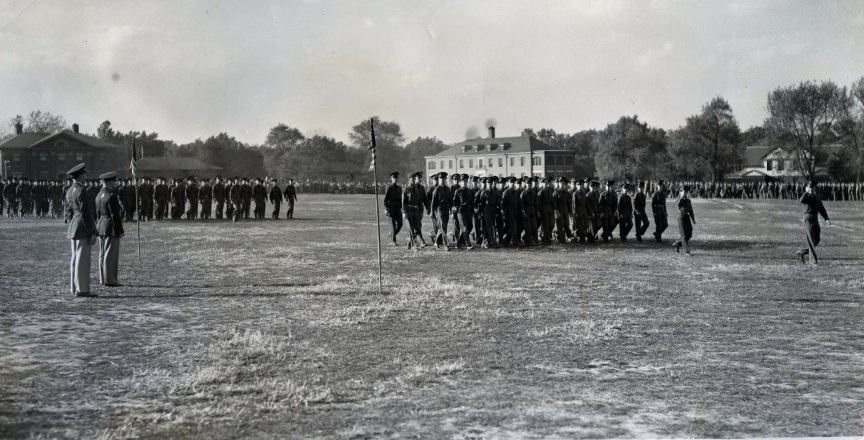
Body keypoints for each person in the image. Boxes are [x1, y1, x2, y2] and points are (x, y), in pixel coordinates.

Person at [65, 163, 97, 297]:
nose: (86, 176)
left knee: (75, 258)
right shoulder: (81, 190)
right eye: (84, 174)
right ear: (80, 176)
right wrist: (92, 232)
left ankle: (74, 287)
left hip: (74, 226)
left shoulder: (69, 190)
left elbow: (69, 210)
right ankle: (82, 289)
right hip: (82, 226)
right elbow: (86, 213)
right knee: (82, 260)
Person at [96, 171, 124, 287]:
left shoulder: (99, 195)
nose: (116, 183)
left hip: (101, 226)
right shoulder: (111, 196)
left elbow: (97, 213)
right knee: (110, 255)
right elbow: (115, 215)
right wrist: (120, 230)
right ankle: (110, 280)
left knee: (102, 254)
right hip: (111, 227)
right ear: (109, 182)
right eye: (114, 181)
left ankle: (103, 278)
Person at [796, 181, 831, 264]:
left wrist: (826, 218)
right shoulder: (807, 197)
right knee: (811, 240)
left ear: (815, 188)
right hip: (808, 218)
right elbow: (801, 200)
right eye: (810, 187)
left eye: (813, 187)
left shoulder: (817, 198)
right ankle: (813, 261)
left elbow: (822, 209)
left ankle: (802, 252)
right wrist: (806, 192)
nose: (811, 189)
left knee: (817, 239)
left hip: (815, 219)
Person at [672, 185, 696, 255]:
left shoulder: (688, 200)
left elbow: (691, 210)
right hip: (681, 218)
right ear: (681, 192)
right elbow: (677, 204)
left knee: (689, 233)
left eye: (686, 191)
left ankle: (678, 243)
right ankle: (686, 251)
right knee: (684, 235)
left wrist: (693, 219)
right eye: (684, 191)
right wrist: (681, 196)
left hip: (687, 217)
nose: (686, 193)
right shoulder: (679, 199)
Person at [383, 172, 403, 245]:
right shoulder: (389, 188)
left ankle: (391, 234)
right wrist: (386, 209)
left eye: (396, 178)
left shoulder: (399, 188)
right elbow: (385, 199)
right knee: (393, 225)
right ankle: (393, 241)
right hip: (391, 208)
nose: (395, 179)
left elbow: (401, 199)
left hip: (398, 208)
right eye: (393, 178)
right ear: (391, 179)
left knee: (400, 224)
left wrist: (402, 208)